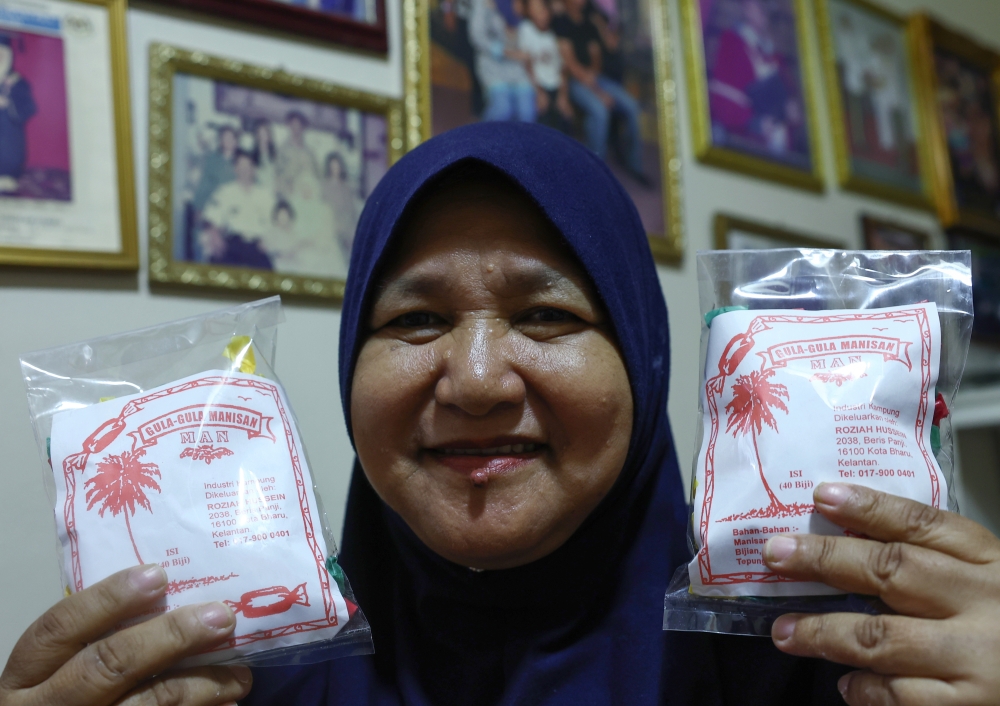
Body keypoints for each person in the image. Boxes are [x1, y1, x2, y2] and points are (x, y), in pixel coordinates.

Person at [6, 123, 1000, 706]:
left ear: (645, 366)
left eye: (546, 313)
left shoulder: (834, 669)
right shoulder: (227, 683)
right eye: (417, 318)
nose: (476, 379)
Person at [553, 0, 647, 183]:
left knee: (633, 107)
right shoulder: (561, 21)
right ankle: (595, 170)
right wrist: (598, 91)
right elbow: (570, 63)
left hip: (595, 77)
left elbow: (596, 53)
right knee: (600, 111)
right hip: (574, 81)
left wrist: (594, 76)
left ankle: (635, 165)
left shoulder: (589, 19)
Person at [708, 0, 803, 157]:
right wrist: (753, 123)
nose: (764, 11)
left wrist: (792, 111)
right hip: (748, 146)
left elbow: (790, 100)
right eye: (759, 5)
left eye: (767, 7)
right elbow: (721, 99)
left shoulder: (774, 55)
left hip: (781, 147)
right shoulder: (732, 42)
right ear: (747, 8)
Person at [199, 149, 275, 269]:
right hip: (232, 244)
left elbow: (274, 223)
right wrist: (215, 235)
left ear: (254, 169)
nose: (244, 170)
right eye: (240, 166)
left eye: (248, 166)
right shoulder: (225, 191)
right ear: (235, 169)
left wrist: (268, 240)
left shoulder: (266, 196)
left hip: (257, 246)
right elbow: (211, 217)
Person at [469, 0, 537, 122]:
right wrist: (504, 51)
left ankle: (518, 141)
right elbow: (476, 36)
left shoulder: (521, 4)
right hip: (492, 63)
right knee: (503, 110)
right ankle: (480, 137)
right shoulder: (482, 3)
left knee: (527, 113)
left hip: (518, 66)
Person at [518, 0, 574, 132]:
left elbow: (563, 69)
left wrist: (563, 96)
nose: (541, 15)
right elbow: (526, 64)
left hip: (556, 86)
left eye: (544, 10)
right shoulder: (526, 29)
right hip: (539, 86)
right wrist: (539, 92)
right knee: (543, 126)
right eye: (537, 10)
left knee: (566, 119)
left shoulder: (554, 35)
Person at [0, 35, 36, 194]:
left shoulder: (18, 83)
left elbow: (29, 108)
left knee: (8, 148)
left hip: (9, 131)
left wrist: (8, 102)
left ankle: (6, 175)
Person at [322, 151, 360, 261]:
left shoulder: (347, 186)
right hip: (332, 224)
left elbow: (352, 210)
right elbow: (324, 211)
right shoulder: (325, 186)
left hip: (348, 223)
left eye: (337, 165)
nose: (335, 168)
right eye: (332, 166)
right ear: (329, 167)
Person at [276, 110, 321, 200]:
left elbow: (317, 175)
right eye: (293, 125)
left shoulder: (310, 152)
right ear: (289, 126)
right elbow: (277, 174)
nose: (296, 128)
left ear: (303, 127)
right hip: (289, 194)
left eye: (299, 125)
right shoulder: (283, 150)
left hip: (308, 196)